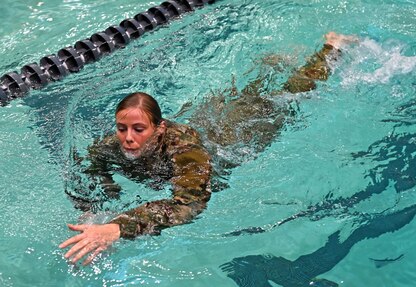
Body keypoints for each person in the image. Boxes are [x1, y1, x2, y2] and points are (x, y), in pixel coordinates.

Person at [59, 32, 357, 265]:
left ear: (159, 128)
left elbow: (190, 204)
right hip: (210, 120)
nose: (127, 138)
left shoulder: (186, 151)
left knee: (290, 97)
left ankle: (332, 50)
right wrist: (94, 209)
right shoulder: (112, 145)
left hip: (238, 138)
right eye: (122, 128)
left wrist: (118, 228)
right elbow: (90, 166)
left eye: (139, 130)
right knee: (244, 95)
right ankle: (272, 63)